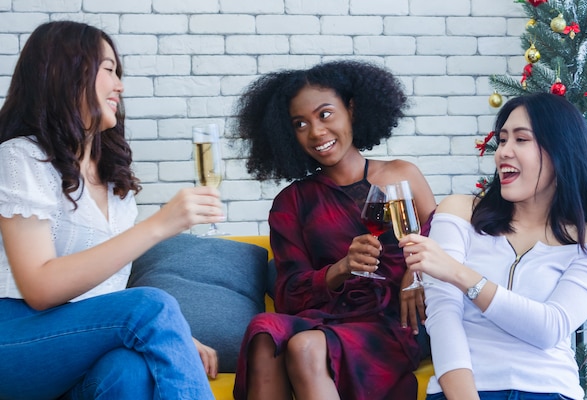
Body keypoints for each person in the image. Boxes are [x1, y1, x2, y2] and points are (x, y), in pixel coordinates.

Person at [0, 21, 224, 399]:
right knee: (153, 304)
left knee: (130, 371)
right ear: (65, 73)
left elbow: (104, 292)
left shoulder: (116, 184)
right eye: (107, 70)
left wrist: (173, 337)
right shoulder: (21, 157)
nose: (119, 85)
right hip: (15, 339)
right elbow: (40, 288)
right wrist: (159, 226)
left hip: (75, 348)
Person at [232, 59, 437, 400]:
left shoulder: (403, 175)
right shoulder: (291, 202)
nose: (316, 132)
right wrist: (342, 268)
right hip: (326, 316)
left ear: (352, 110)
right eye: (300, 124)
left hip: (393, 320)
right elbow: (287, 295)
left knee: (306, 347)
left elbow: (445, 238)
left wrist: (413, 275)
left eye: (325, 114)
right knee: (264, 331)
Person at [399, 92, 587, 400]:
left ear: (561, 151)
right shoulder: (460, 212)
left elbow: (551, 327)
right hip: (462, 389)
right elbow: (443, 315)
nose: (503, 151)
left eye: (521, 139)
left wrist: (460, 274)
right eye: (502, 139)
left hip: (548, 391)